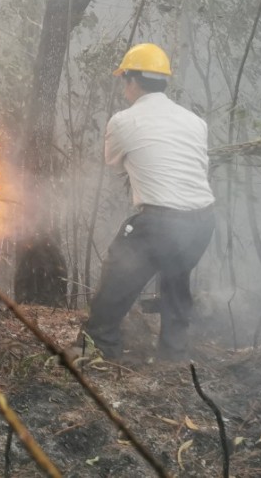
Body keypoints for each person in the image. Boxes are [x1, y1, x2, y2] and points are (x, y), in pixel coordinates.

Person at [75, 43, 215, 363]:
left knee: (115, 283)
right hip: (202, 222)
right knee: (176, 281)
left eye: (124, 79)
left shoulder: (124, 120)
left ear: (133, 82)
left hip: (159, 223)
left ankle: (100, 351)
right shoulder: (195, 121)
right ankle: (173, 358)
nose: (124, 86)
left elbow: (113, 162)